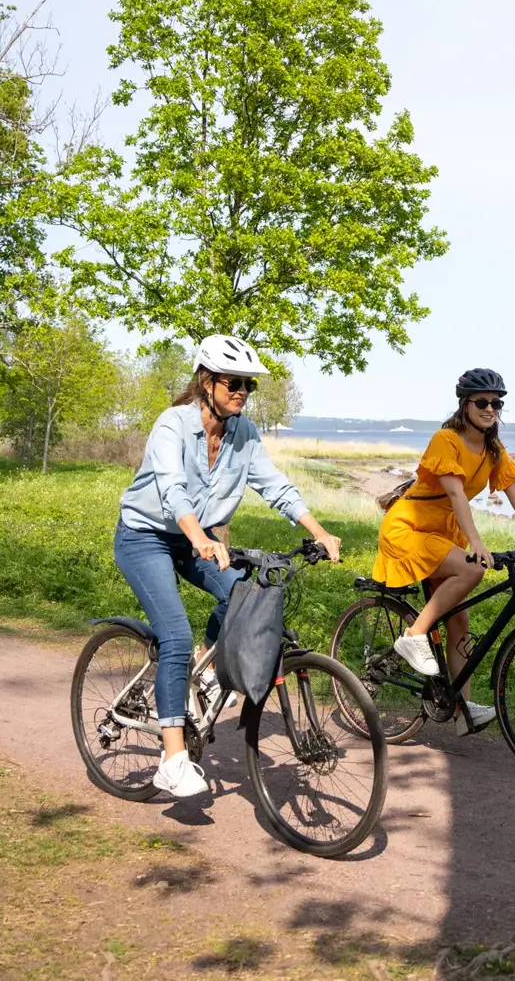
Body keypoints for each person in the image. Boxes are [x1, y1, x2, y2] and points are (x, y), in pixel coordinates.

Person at [115, 334, 343, 798]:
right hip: (145, 537)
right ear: (207, 382)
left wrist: (319, 531)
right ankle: (172, 761)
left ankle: (203, 667)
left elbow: (274, 485)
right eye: (233, 383)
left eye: (248, 385)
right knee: (174, 635)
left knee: (244, 593)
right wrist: (200, 537)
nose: (242, 391)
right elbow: (171, 489)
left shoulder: (244, 433)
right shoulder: (172, 425)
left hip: (196, 538)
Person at [374, 368, 515, 732]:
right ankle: (414, 635)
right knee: (472, 568)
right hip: (409, 529)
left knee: (459, 620)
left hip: (443, 535)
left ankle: (461, 710)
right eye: (482, 402)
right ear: (465, 405)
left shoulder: (493, 450)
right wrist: (476, 542)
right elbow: (455, 493)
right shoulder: (445, 440)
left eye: (497, 403)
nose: (490, 408)